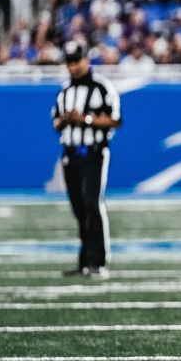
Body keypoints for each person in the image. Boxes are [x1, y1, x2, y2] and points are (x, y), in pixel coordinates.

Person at [51, 41, 122, 277]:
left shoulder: (102, 87)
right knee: (79, 208)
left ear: (86, 60)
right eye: (69, 62)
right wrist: (65, 120)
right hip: (71, 154)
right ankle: (84, 260)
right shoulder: (64, 91)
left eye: (76, 61)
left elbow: (115, 120)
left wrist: (86, 119)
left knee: (92, 203)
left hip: (93, 152)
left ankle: (98, 261)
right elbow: (55, 122)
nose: (72, 67)